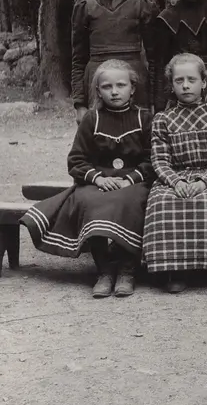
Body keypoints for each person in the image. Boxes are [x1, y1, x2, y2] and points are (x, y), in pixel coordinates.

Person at [19, 59, 153, 298]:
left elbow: (152, 159)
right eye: (107, 87)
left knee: (132, 201)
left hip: (133, 181)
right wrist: (98, 179)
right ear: (98, 91)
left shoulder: (145, 118)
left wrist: (130, 179)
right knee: (89, 201)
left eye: (121, 85)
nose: (114, 91)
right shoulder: (92, 119)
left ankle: (127, 269)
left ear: (132, 88)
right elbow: (76, 160)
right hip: (98, 182)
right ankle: (104, 270)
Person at [143, 53, 207, 294]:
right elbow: (160, 160)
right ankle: (176, 269)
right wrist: (175, 182)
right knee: (163, 202)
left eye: (192, 80)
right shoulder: (163, 119)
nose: (185, 85)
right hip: (176, 177)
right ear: (171, 85)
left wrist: (204, 182)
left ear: (203, 82)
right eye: (179, 81)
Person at [70, 0, 158, 119]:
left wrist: (155, 101)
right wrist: (80, 104)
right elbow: (78, 60)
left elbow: (155, 59)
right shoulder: (85, 8)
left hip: (135, 83)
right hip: (97, 84)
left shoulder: (141, 5)